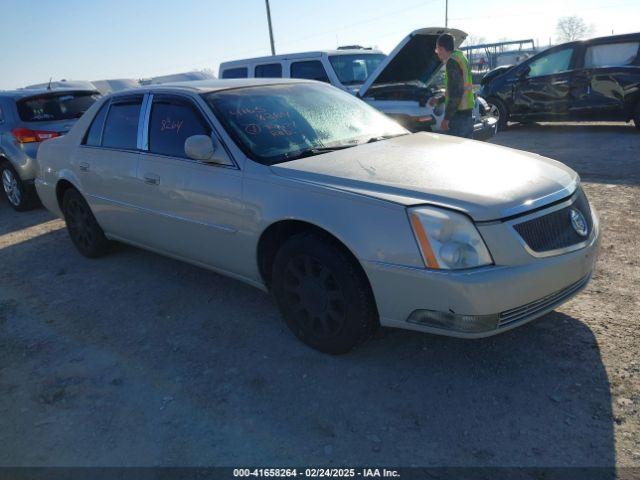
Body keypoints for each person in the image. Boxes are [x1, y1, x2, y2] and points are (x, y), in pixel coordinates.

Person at [429, 33, 475, 138]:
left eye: (437, 50)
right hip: (467, 113)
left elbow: (456, 92)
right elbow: (456, 89)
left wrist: (446, 119)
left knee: (456, 150)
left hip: (458, 117)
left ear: (441, 48)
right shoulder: (461, 57)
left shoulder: (452, 62)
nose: (437, 53)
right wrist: (438, 100)